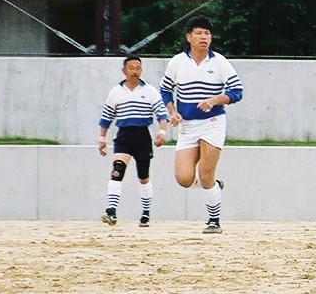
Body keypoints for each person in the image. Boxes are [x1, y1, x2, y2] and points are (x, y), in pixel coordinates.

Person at [161, 15, 243, 233]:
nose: (203, 37)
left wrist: (215, 100)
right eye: (198, 33)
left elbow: (237, 92)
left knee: (205, 173)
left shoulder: (219, 62)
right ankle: (214, 188)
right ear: (189, 37)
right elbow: (165, 90)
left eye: (207, 33)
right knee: (184, 179)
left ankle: (214, 221)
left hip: (213, 122)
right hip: (187, 126)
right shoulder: (177, 62)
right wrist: (173, 112)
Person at [97, 54, 169, 227]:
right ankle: (111, 210)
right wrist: (102, 138)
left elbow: (161, 113)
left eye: (138, 68)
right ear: (124, 70)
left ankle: (145, 213)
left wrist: (162, 132)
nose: (135, 71)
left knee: (143, 177)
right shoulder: (115, 92)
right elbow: (106, 116)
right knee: (117, 170)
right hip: (124, 136)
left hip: (142, 136)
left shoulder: (150, 91)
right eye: (131, 68)